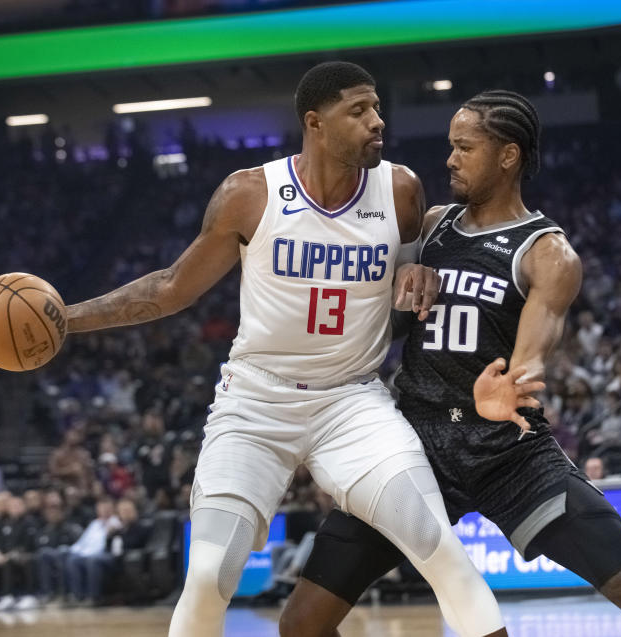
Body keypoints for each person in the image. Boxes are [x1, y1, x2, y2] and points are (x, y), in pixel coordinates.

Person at [62, 61, 507, 637]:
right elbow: (173, 289)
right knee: (208, 577)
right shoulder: (249, 194)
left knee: (437, 546)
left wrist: (415, 272)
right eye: (359, 111)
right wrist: (66, 321)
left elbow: (407, 278)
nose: (378, 121)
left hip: (353, 403)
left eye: (377, 108)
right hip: (256, 404)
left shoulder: (400, 190)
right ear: (315, 123)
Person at [279, 91, 621, 637]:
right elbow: (376, 315)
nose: (450, 159)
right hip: (413, 446)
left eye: (465, 147)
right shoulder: (432, 225)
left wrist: (513, 383)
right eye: (450, 146)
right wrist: (397, 284)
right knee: (301, 624)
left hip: (507, 450)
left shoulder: (545, 252)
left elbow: (535, 351)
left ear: (507, 155)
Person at [65, 498, 120, 606]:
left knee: (92, 560)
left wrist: (110, 531)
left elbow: (106, 545)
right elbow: (82, 542)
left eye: (106, 508)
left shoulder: (116, 522)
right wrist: (71, 551)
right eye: (101, 508)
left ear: (112, 509)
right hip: (88, 554)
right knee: (72, 559)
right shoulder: (94, 523)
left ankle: (94, 597)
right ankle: (78, 596)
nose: (104, 510)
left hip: (106, 554)